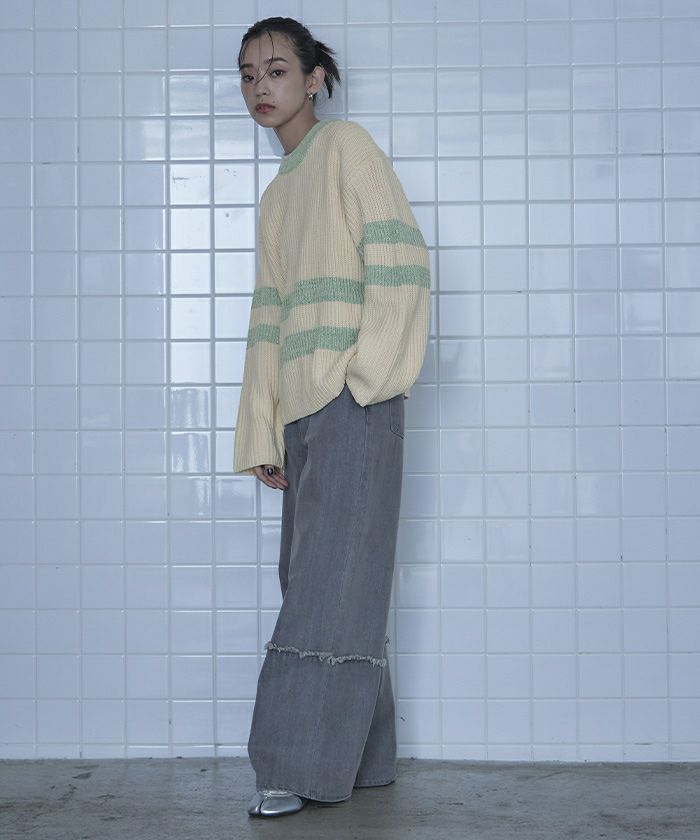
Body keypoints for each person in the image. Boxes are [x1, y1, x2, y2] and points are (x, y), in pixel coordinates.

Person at [232, 16, 431, 819]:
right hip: (305, 413)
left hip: (355, 402)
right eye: (248, 74)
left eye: (276, 70)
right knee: (330, 580)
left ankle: (295, 764)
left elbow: (402, 259)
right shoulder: (278, 194)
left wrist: (365, 380)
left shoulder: (347, 148)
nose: (260, 86)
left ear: (314, 79)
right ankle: (363, 758)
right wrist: (264, 428)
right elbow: (268, 321)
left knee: (328, 583)